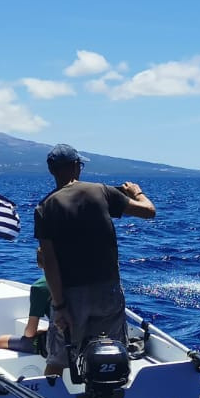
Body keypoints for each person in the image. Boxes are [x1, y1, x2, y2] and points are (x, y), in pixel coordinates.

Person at [34, 143, 156, 377]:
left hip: (70, 296)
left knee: (58, 358)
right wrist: (136, 192)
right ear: (76, 167)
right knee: (112, 350)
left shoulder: (44, 207)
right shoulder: (101, 191)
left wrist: (59, 307)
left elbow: (48, 262)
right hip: (106, 291)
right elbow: (149, 211)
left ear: (52, 171)